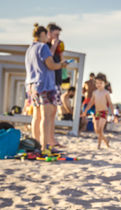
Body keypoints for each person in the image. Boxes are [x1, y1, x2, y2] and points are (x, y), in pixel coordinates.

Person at [25, 23, 67, 152]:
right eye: (46, 35)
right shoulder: (43, 47)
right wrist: (62, 65)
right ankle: (44, 147)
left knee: (36, 117)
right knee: (46, 117)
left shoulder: (29, 49)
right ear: (42, 35)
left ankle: (35, 145)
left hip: (32, 86)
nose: (47, 38)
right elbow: (51, 65)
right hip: (44, 85)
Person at [81, 73, 113, 149]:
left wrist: (112, 114)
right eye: (97, 83)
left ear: (105, 83)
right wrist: (85, 111)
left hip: (104, 112)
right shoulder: (94, 93)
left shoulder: (106, 92)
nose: (98, 85)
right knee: (97, 130)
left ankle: (99, 145)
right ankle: (106, 140)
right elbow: (90, 103)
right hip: (97, 112)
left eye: (101, 83)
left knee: (101, 128)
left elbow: (110, 103)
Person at [46, 22, 64, 147]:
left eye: (58, 35)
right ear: (49, 33)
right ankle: (49, 140)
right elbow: (47, 59)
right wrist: (53, 46)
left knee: (54, 112)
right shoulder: (45, 46)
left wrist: (61, 53)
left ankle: (52, 139)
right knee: (49, 113)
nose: (57, 38)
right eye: (55, 34)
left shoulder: (56, 46)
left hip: (57, 81)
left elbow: (60, 61)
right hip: (50, 82)